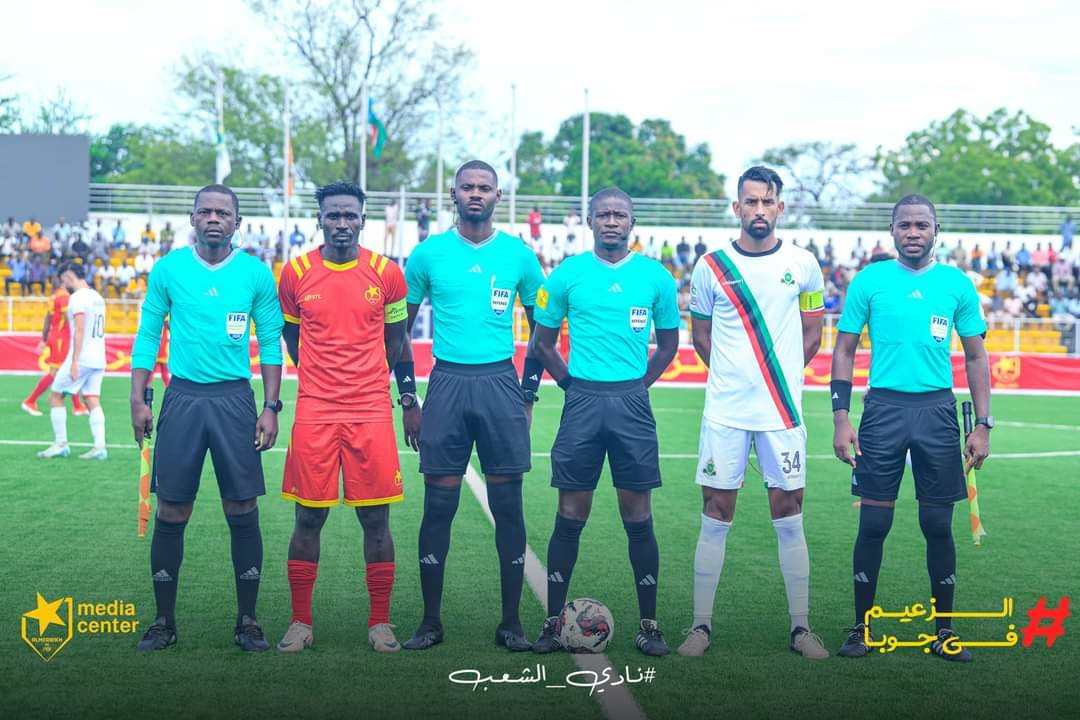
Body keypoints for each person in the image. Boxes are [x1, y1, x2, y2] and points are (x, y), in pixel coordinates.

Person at [676, 166, 828, 659]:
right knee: (716, 511)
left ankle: (801, 628)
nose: (758, 209)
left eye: (767, 201)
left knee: (789, 512)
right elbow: (701, 338)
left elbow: (813, 334)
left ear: (780, 208)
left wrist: (777, 379)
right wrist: (736, 379)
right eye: (750, 201)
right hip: (725, 412)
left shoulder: (804, 264)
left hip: (782, 411)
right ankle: (700, 627)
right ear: (736, 207)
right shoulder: (710, 267)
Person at [831, 194, 991, 662]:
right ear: (892, 230)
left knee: (937, 524)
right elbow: (844, 350)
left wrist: (983, 424)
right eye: (905, 225)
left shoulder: (956, 284)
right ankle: (860, 629)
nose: (913, 232)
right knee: (874, 523)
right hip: (882, 411)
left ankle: (944, 632)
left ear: (936, 230)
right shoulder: (870, 280)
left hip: (937, 411)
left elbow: (976, 356)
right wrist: (841, 417)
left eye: (922, 225)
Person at [129, 184, 284, 653]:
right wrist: (137, 398)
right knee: (172, 510)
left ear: (237, 222)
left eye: (223, 212)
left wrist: (271, 406)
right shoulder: (168, 269)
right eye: (206, 211)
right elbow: (148, 334)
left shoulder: (255, 273)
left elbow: (271, 341)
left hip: (235, 401)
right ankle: (163, 622)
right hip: (183, 399)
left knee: (242, 508)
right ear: (193, 218)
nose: (214, 218)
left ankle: (248, 621)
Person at [528, 187, 679, 657]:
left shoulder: (657, 277)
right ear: (590, 221)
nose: (612, 221)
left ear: (632, 222)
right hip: (583, 404)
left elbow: (669, 345)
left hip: (631, 405)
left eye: (620, 214)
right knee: (570, 514)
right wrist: (570, 384)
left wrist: (638, 386)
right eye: (604, 214)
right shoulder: (566, 274)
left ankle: (649, 625)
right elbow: (541, 343)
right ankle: (553, 623)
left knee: (638, 516)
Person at [402, 160, 545, 652]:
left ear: (498, 196)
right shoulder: (428, 254)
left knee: (509, 505)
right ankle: (430, 622)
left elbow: (542, 330)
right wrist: (408, 398)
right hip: (446, 383)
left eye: (485, 187)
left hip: (500, 383)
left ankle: (511, 623)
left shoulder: (519, 255)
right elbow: (399, 332)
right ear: (454, 193)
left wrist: (528, 393)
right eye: (468, 187)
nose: (476, 194)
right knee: (438, 505)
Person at [275, 181, 413, 655]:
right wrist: (323, 379)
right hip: (315, 409)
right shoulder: (295, 273)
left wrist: (371, 382)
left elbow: (397, 340)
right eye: (332, 215)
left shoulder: (387, 273)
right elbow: (292, 340)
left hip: (369, 409)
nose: (341, 223)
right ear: (319, 219)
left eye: (349, 215)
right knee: (307, 517)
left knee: (376, 518)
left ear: (362, 220)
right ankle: (300, 622)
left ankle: (380, 623)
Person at [36, 262, 107, 460]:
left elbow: (80, 330)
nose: (63, 285)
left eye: (63, 280)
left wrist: (74, 361)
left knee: (55, 396)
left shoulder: (77, 298)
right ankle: (100, 447)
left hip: (82, 357)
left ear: (69, 276)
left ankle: (61, 444)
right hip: (99, 356)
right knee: (92, 399)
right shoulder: (97, 297)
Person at [21, 281, 89, 417]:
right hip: (61, 339)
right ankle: (30, 401)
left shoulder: (55, 296)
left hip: (57, 336)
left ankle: (77, 406)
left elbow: (48, 318)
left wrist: (44, 338)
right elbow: (72, 317)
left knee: (69, 370)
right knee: (56, 372)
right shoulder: (65, 298)